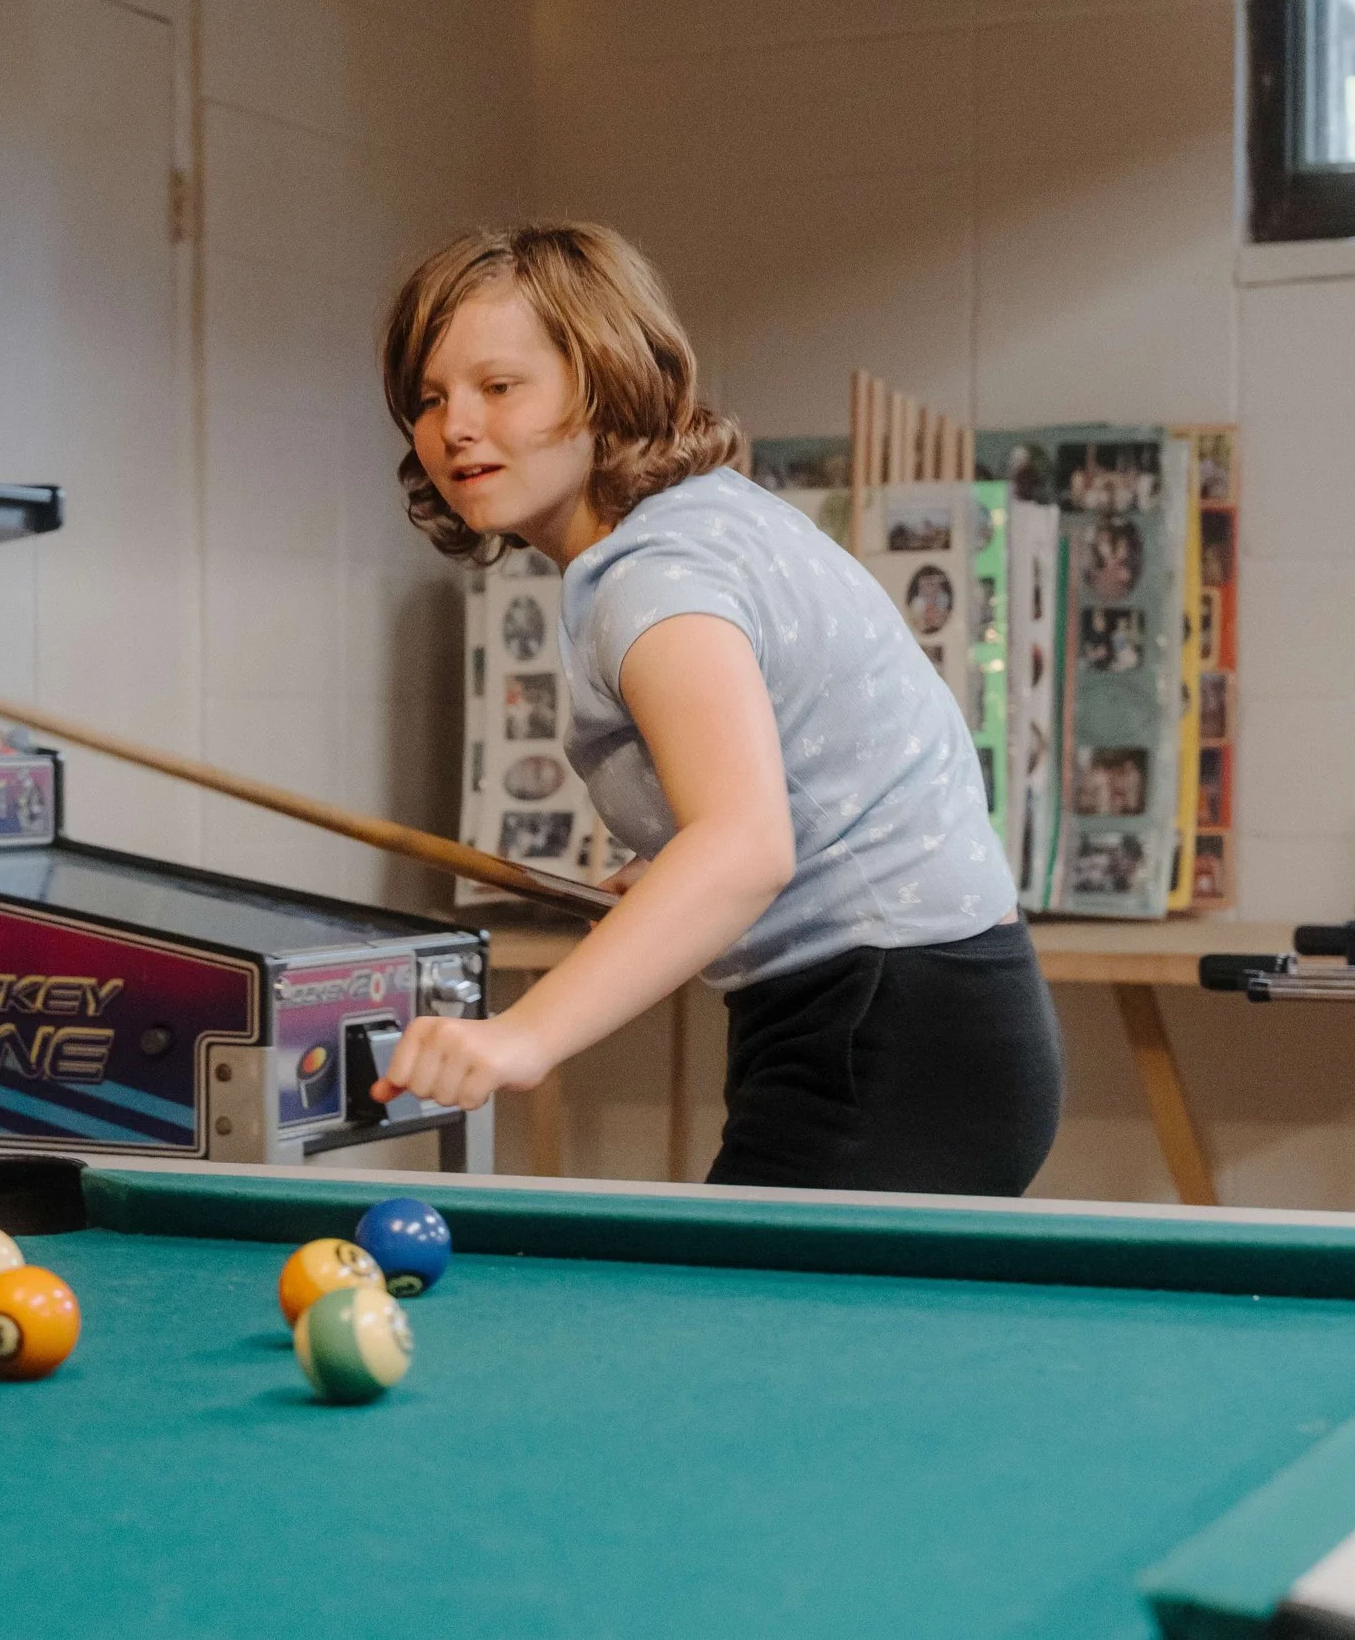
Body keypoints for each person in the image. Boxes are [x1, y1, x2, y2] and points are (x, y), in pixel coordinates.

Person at [373, 224, 1062, 1196]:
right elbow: (799, 781)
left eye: (499, 386)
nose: (454, 428)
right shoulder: (703, 518)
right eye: (430, 399)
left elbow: (745, 846)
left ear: (603, 381)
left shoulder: (651, 572)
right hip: (929, 1017)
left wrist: (520, 1036)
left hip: (886, 1029)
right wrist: (669, 867)